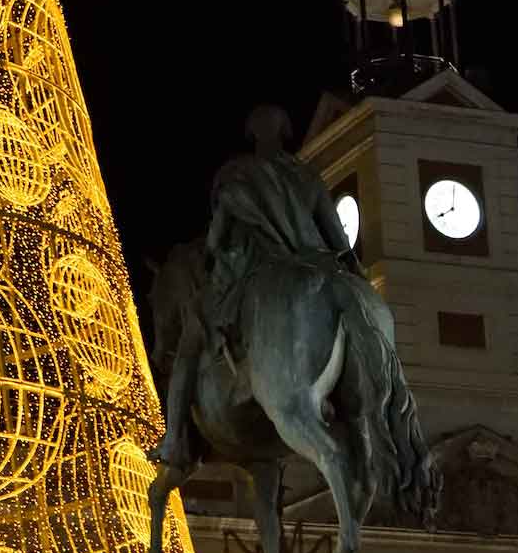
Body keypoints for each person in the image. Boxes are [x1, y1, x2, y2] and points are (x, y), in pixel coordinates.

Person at [151, 103, 364, 470]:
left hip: (253, 276)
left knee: (190, 342)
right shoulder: (308, 176)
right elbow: (338, 239)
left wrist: (215, 254)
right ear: (286, 133)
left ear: (252, 135)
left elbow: (218, 239)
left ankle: (174, 441)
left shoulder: (237, 175)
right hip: (313, 267)